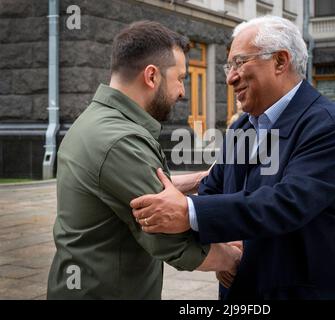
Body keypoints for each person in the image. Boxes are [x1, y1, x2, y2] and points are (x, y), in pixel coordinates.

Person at [131, 16, 335, 300]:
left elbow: (287, 203)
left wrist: (189, 212)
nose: (230, 77)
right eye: (229, 66)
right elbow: (215, 188)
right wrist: (222, 248)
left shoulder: (327, 125)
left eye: (240, 63)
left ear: (280, 61)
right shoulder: (243, 126)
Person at [47, 21, 241, 300]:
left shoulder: (98, 121)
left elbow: (133, 189)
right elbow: (171, 240)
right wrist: (233, 259)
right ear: (152, 76)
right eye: (180, 78)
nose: (182, 92)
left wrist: (201, 180)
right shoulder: (120, 141)